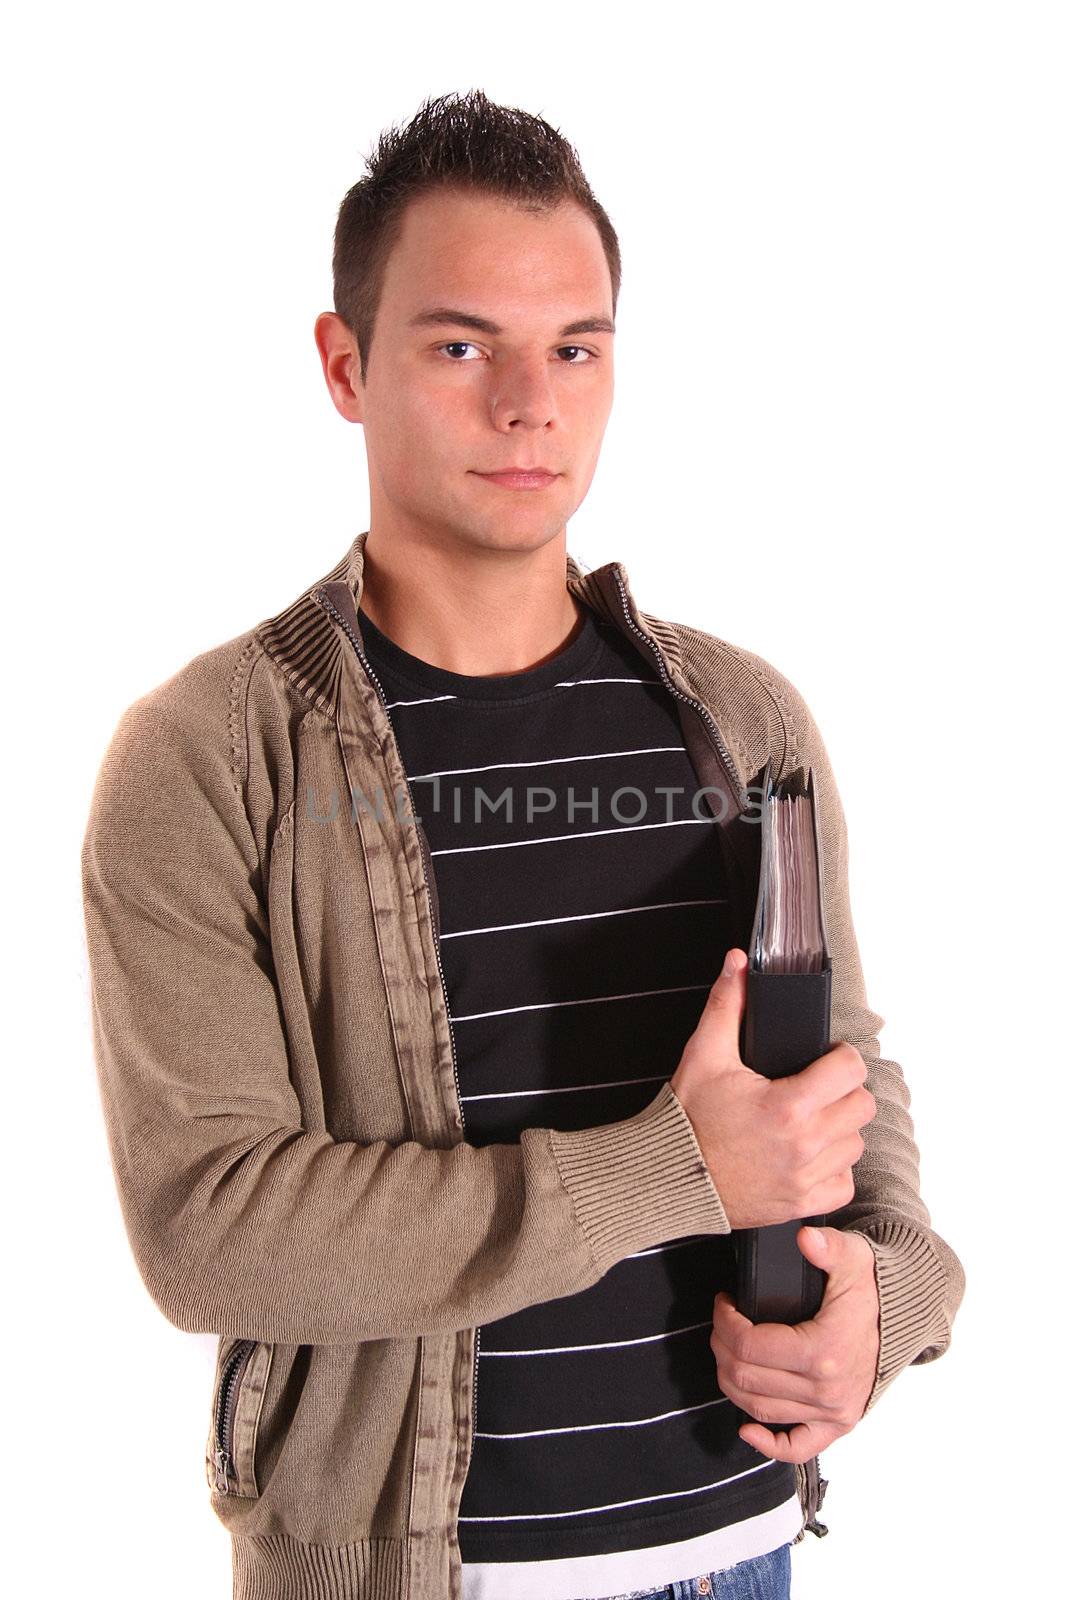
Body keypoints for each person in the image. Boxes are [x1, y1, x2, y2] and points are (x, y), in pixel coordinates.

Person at [80, 89, 965, 1600]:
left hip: (740, 1553)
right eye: (460, 345)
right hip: (420, 1573)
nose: (528, 403)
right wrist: (673, 1171)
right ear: (345, 366)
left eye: (576, 347)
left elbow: (842, 1085)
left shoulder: (743, 719)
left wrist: (889, 1300)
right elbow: (211, 1228)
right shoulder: (209, 758)